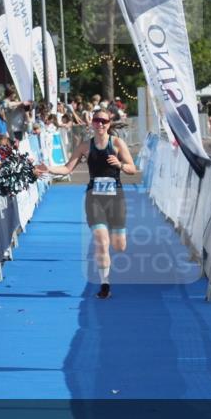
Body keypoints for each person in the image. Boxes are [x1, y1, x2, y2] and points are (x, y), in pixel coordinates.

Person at [41, 111, 137, 299]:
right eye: (96, 120)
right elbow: (67, 168)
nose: (100, 124)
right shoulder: (85, 146)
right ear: (91, 123)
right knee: (101, 243)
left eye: (104, 121)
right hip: (94, 198)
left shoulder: (117, 144)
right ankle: (105, 285)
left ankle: (114, 243)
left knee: (119, 246)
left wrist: (120, 165)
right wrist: (49, 169)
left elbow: (133, 169)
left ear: (109, 124)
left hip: (115, 197)